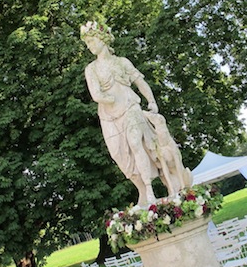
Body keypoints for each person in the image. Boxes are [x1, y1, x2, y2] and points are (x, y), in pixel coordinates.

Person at [81, 21, 192, 206]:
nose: (89, 46)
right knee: (119, 156)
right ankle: (142, 189)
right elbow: (96, 94)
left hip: (131, 107)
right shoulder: (91, 69)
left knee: (135, 142)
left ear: (102, 39)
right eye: (87, 44)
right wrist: (108, 99)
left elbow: (140, 83)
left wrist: (152, 101)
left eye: (91, 41)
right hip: (109, 117)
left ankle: (150, 190)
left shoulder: (121, 62)